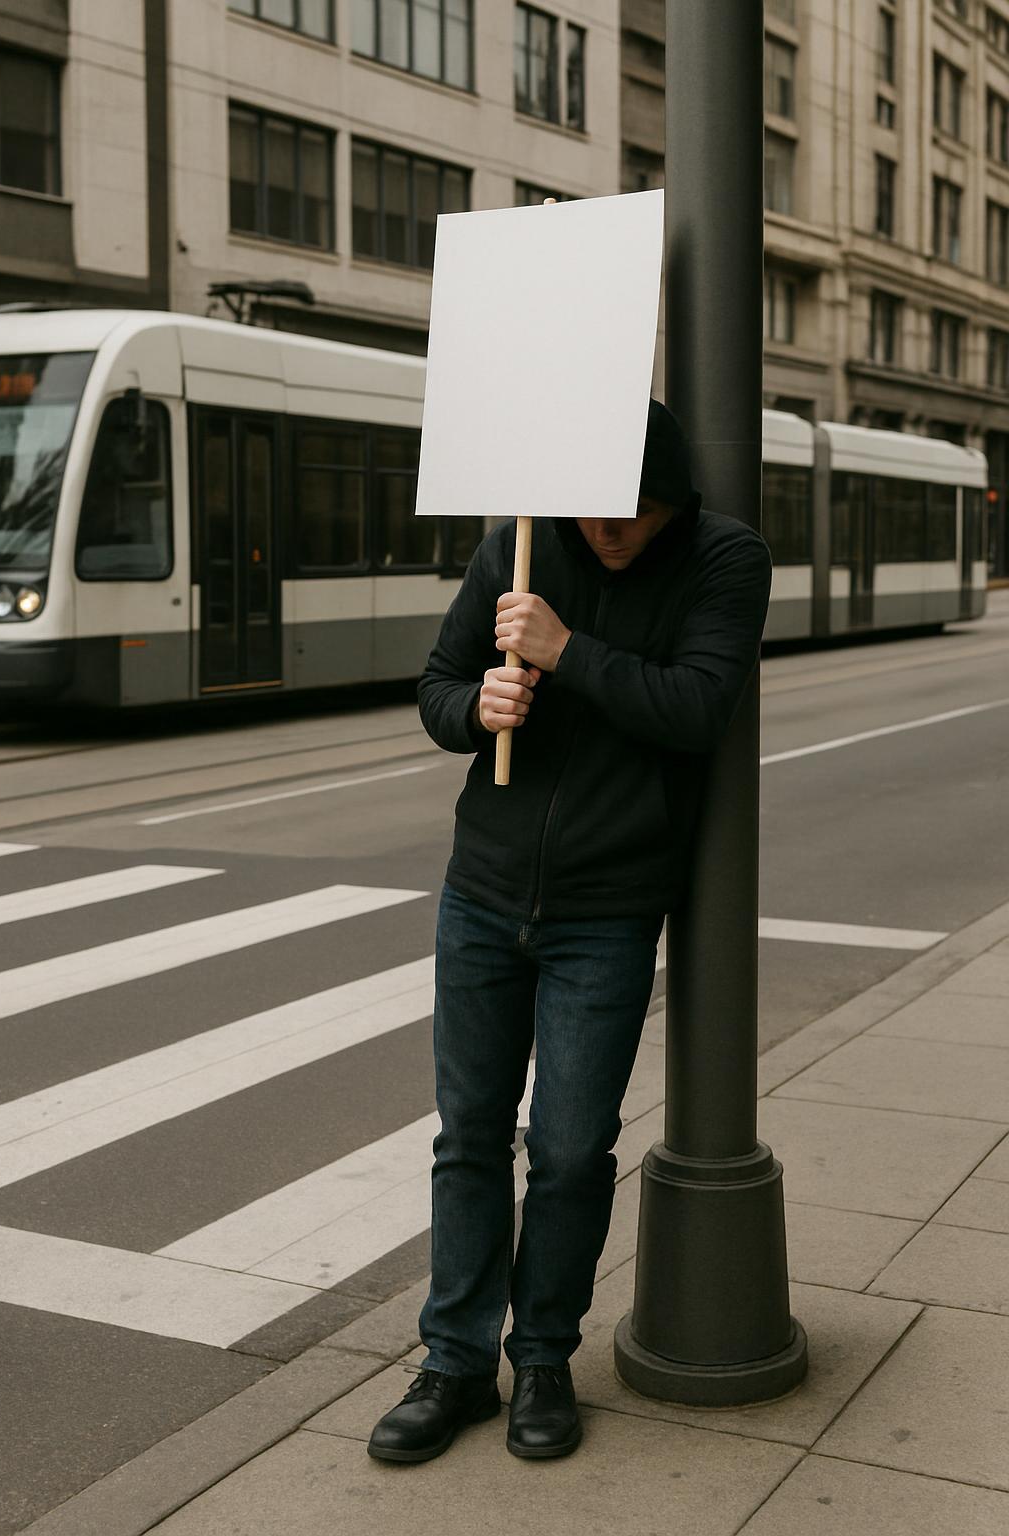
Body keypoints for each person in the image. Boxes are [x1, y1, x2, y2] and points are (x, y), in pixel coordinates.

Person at [367, 399, 773, 1464]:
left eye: (637, 513)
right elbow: (437, 685)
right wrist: (477, 711)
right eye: (597, 511)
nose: (612, 532)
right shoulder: (522, 541)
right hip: (482, 892)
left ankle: (542, 1357)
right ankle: (453, 1364)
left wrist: (565, 648)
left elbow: (696, 707)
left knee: (566, 1150)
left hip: (607, 905)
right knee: (466, 1140)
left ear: (677, 497)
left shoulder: (726, 561)